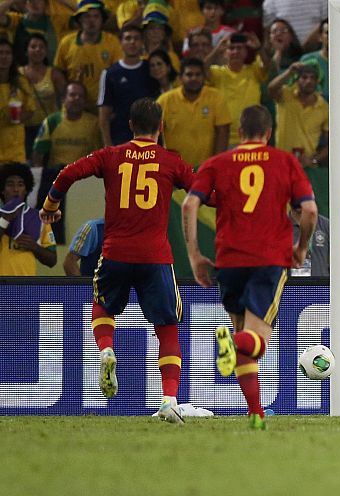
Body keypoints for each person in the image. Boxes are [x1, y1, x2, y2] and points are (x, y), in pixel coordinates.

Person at [39, 97, 195, 424]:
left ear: (130, 125)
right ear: (161, 126)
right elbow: (203, 192)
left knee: (103, 306)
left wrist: (51, 206)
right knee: (167, 328)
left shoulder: (110, 155)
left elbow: (67, 174)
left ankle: (106, 348)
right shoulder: (171, 161)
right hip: (155, 257)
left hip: (115, 253)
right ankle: (169, 400)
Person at [182, 105, 317, 429]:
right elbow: (310, 210)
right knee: (256, 341)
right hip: (268, 259)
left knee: (244, 334)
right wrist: (301, 247)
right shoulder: (284, 161)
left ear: (240, 132)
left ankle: (255, 412)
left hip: (229, 261)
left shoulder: (217, 162)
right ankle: (231, 344)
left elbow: (189, 204)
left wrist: (195, 255)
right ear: (268, 133)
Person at [32, 81, 101, 243]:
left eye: (80, 96)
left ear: (85, 101)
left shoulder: (94, 123)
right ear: (63, 99)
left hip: (83, 181)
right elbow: (37, 155)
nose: (76, 99)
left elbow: (99, 156)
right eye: (72, 95)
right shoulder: (52, 121)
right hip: (56, 179)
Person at [157, 57, 230, 168]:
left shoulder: (216, 97)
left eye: (198, 74)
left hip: (205, 168)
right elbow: (153, 133)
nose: (194, 78)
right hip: (173, 169)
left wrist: (215, 165)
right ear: (181, 78)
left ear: (204, 77)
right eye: (189, 75)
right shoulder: (165, 100)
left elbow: (223, 132)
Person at [98, 24, 159, 147]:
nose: (132, 42)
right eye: (128, 38)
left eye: (136, 38)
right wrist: (108, 145)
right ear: (120, 43)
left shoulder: (150, 68)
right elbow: (104, 116)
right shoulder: (110, 73)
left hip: (149, 139)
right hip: (120, 139)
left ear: (142, 42)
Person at [54, 0, 122, 109]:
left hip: (104, 106)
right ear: (80, 19)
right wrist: (67, 94)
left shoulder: (112, 42)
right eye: (87, 16)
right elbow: (58, 71)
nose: (91, 21)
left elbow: (118, 73)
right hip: (75, 106)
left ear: (102, 19)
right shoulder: (66, 42)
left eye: (96, 16)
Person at [206, 32, 270, 147]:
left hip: (251, 136)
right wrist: (216, 50)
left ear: (246, 52)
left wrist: (259, 48)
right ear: (225, 52)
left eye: (240, 48)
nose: (235, 52)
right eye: (231, 48)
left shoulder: (254, 70)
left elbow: (269, 66)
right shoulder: (217, 72)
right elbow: (201, 69)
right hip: (224, 137)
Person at [267, 61, 328, 168]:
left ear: (317, 82)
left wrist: (313, 160)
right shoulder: (286, 95)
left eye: (313, 78)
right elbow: (272, 88)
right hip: (282, 162)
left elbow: (331, 143)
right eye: (304, 77)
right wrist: (289, 72)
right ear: (297, 80)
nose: (309, 81)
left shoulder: (324, 107)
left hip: (307, 166)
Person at [0, 161, 56, 275]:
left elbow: (52, 260)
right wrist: (4, 220)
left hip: (26, 284)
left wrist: (34, 247)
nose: (16, 189)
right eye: (10, 184)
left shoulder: (38, 218)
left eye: (20, 185)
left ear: (26, 190)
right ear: (2, 189)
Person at [20, 33, 65, 159]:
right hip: (24, 129)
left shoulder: (54, 74)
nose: (37, 50)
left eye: (41, 47)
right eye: (33, 47)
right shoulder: (18, 74)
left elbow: (65, 99)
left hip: (49, 128)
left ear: (46, 51)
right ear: (26, 51)